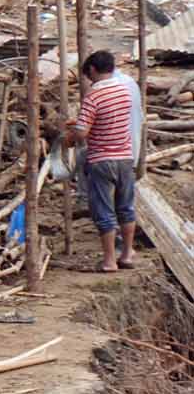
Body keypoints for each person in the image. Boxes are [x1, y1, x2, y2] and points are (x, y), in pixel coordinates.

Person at [69, 49, 143, 272]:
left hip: (102, 159)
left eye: (88, 74)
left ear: (92, 69)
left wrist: (69, 138)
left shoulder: (93, 96)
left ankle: (110, 260)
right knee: (126, 208)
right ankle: (127, 254)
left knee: (104, 211)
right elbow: (112, 120)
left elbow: (82, 133)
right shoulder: (125, 91)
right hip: (125, 158)